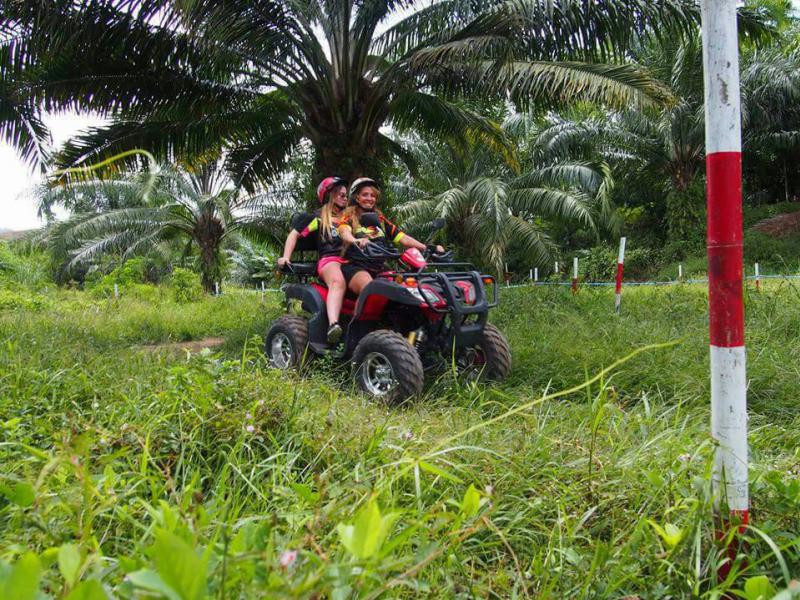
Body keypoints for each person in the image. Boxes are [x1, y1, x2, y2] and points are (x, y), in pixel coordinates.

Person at [338, 177, 444, 296]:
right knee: (370, 290)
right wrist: (356, 240)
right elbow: (343, 231)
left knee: (405, 290)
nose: (369, 198)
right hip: (356, 266)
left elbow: (402, 237)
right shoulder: (349, 217)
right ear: (357, 197)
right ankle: (358, 315)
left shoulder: (380, 220)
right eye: (365, 195)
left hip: (379, 267)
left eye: (372, 195)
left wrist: (427, 248)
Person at [278, 177, 348, 344]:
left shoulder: (350, 218)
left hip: (351, 261)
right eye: (340, 194)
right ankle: (333, 325)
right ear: (329, 195)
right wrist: (286, 257)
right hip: (329, 260)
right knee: (338, 282)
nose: (345, 198)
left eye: (346, 195)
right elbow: (294, 234)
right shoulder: (317, 218)